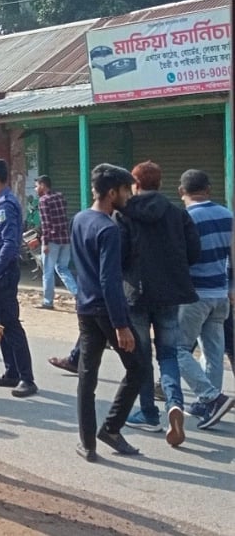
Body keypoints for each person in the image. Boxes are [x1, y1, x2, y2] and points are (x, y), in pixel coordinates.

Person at [119, 161, 199, 447]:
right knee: (168, 354)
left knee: (140, 357)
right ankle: (174, 404)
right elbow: (194, 251)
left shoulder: (125, 214)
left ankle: (149, 414)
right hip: (169, 294)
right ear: (161, 183)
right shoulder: (177, 214)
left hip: (137, 294)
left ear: (134, 184)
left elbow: (120, 255)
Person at [71, 164, 145, 461]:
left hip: (85, 307)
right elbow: (109, 280)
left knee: (87, 375)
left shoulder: (80, 219)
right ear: (112, 192)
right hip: (105, 309)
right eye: (126, 190)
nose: (128, 196)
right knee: (139, 367)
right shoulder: (108, 228)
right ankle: (111, 428)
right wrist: (121, 325)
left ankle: (88, 443)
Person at [175, 169, 235, 429]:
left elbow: (178, 260)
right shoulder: (227, 215)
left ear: (181, 192)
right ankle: (206, 404)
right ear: (208, 189)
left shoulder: (184, 218)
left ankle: (211, 397)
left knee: (176, 349)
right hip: (221, 293)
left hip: (194, 295)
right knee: (213, 351)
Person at [0, 158, 38, 398]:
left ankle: (27, 378)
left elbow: (10, 244)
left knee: (10, 324)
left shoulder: (6, 206)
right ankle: (11, 371)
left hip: (3, 274)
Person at [34, 175, 79, 310]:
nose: (36, 189)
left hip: (52, 240)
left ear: (42, 185)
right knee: (62, 268)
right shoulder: (60, 196)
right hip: (65, 238)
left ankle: (48, 302)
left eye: (37, 186)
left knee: (48, 271)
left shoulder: (43, 201)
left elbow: (46, 223)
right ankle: (78, 294)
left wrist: (45, 242)